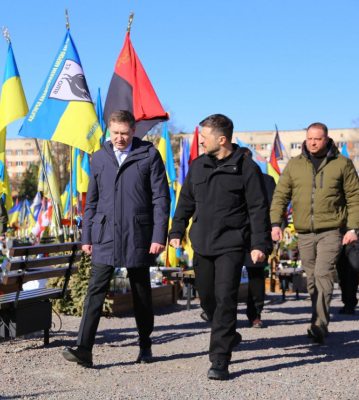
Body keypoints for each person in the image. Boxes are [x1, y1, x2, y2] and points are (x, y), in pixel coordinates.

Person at [62, 110, 170, 368]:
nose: (119, 138)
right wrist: (86, 235)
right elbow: (92, 201)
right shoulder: (98, 157)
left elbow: (160, 198)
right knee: (94, 291)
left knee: (141, 292)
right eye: (114, 133)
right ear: (108, 131)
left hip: (138, 234)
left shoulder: (149, 155)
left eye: (124, 133)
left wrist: (158, 235)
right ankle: (84, 348)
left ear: (134, 130)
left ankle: (145, 344)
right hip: (105, 235)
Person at [169, 114, 272, 380]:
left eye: (204, 137)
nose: (200, 141)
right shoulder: (198, 165)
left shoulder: (247, 168)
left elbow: (259, 209)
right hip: (202, 244)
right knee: (208, 301)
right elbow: (185, 202)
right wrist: (177, 230)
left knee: (226, 299)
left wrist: (260, 243)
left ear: (221, 139)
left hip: (232, 244)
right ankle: (229, 333)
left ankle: (219, 360)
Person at [270, 122, 359, 344]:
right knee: (311, 278)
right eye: (309, 138)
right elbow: (280, 196)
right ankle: (319, 320)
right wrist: (276, 223)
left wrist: (352, 228)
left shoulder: (342, 164)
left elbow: (355, 197)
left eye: (317, 139)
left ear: (327, 139)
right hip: (304, 232)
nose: (312, 142)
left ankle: (319, 323)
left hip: (332, 230)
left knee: (322, 273)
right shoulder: (294, 165)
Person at [240, 147, 277, 329]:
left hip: (257, 235)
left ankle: (255, 315)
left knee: (256, 276)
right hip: (232, 235)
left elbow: (271, 208)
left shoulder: (267, 181)